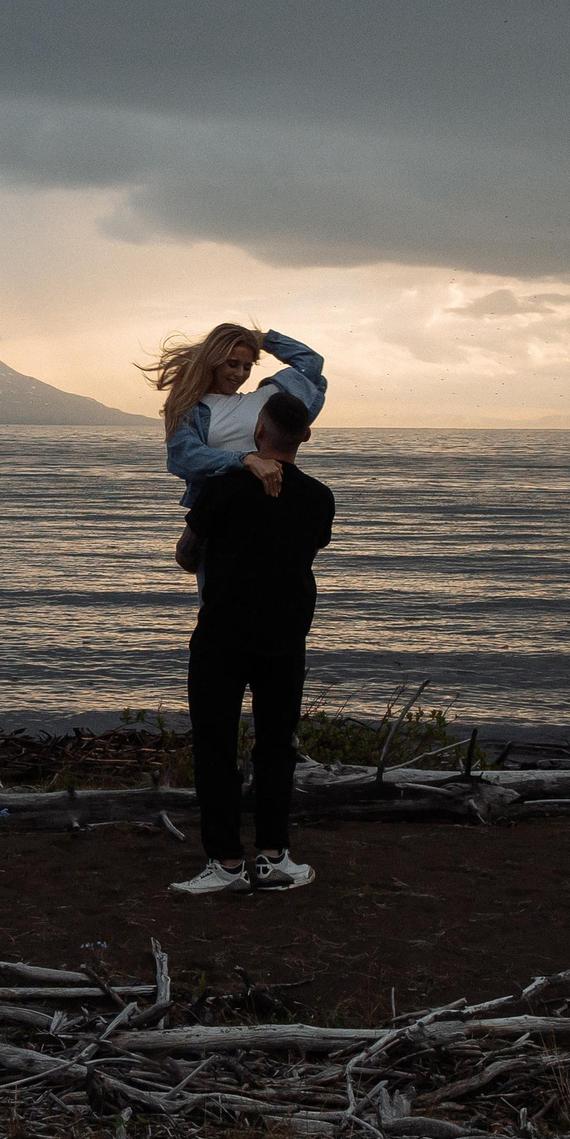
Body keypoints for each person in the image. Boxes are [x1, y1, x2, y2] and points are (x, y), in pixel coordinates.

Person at [170, 389, 333, 894]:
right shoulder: (320, 497)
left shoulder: (226, 488)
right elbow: (308, 547)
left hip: (223, 635)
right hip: (286, 636)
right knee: (276, 747)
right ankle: (272, 855)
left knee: (216, 748)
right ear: (305, 436)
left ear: (258, 433)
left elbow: (185, 555)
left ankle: (225, 862)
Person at [145, 324, 328, 505]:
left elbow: (311, 362)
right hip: (220, 513)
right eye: (232, 364)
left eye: (247, 367)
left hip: (273, 508)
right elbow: (185, 457)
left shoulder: (268, 399)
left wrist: (262, 339)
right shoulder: (190, 409)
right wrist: (245, 460)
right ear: (213, 360)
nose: (239, 374)